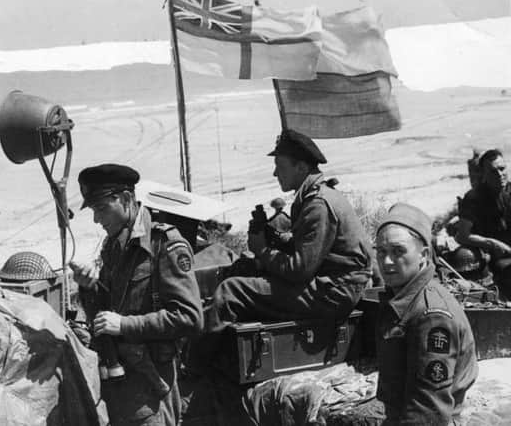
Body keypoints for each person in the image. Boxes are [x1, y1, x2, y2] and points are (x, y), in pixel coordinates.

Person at [70, 163, 203, 426]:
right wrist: (89, 287)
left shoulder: (164, 244)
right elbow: (108, 310)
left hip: (153, 387)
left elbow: (190, 317)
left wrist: (125, 325)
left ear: (127, 199)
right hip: (121, 383)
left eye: (100, 208)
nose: (97, 219)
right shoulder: (114, 246)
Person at [204, 129, 373, 333]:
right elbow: (309, 250)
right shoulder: (312, 198)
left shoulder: (318, 205)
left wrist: (263, 250)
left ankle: (199, 363)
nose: (275, 174)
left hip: (335, 293)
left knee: (230, 291)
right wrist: (275, 239)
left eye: (280, 167)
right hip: (330, 284)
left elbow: (299, 270)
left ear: (301, 167)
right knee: (244, 268)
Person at [375, 203, 478, 424]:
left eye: (398, 251)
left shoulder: (431, 316)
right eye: (381, 252)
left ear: (423, 255)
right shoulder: (405, 298)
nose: (387, 261)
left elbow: (427, 413)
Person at [455, 148, 511, 294]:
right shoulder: (474, 198)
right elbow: (463, 235)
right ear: (484, 174)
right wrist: (492, 243)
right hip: (493, 257)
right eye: (493, 171)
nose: (500, 174)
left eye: (502, 169)